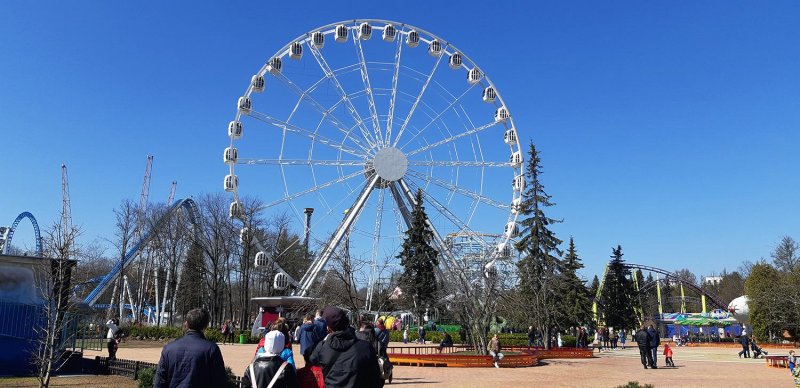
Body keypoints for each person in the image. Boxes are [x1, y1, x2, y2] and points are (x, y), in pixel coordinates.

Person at [309, 306, 383, 388]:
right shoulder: (366, 347)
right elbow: (376, 378)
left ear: (328, 327)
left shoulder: (322, 347)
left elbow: (312, 360)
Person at [154, 308, 227, 388]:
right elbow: (219, 382)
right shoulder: (212, 349)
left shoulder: (168, 348)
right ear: (205, 326)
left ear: (186, 324)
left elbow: (159, 382)